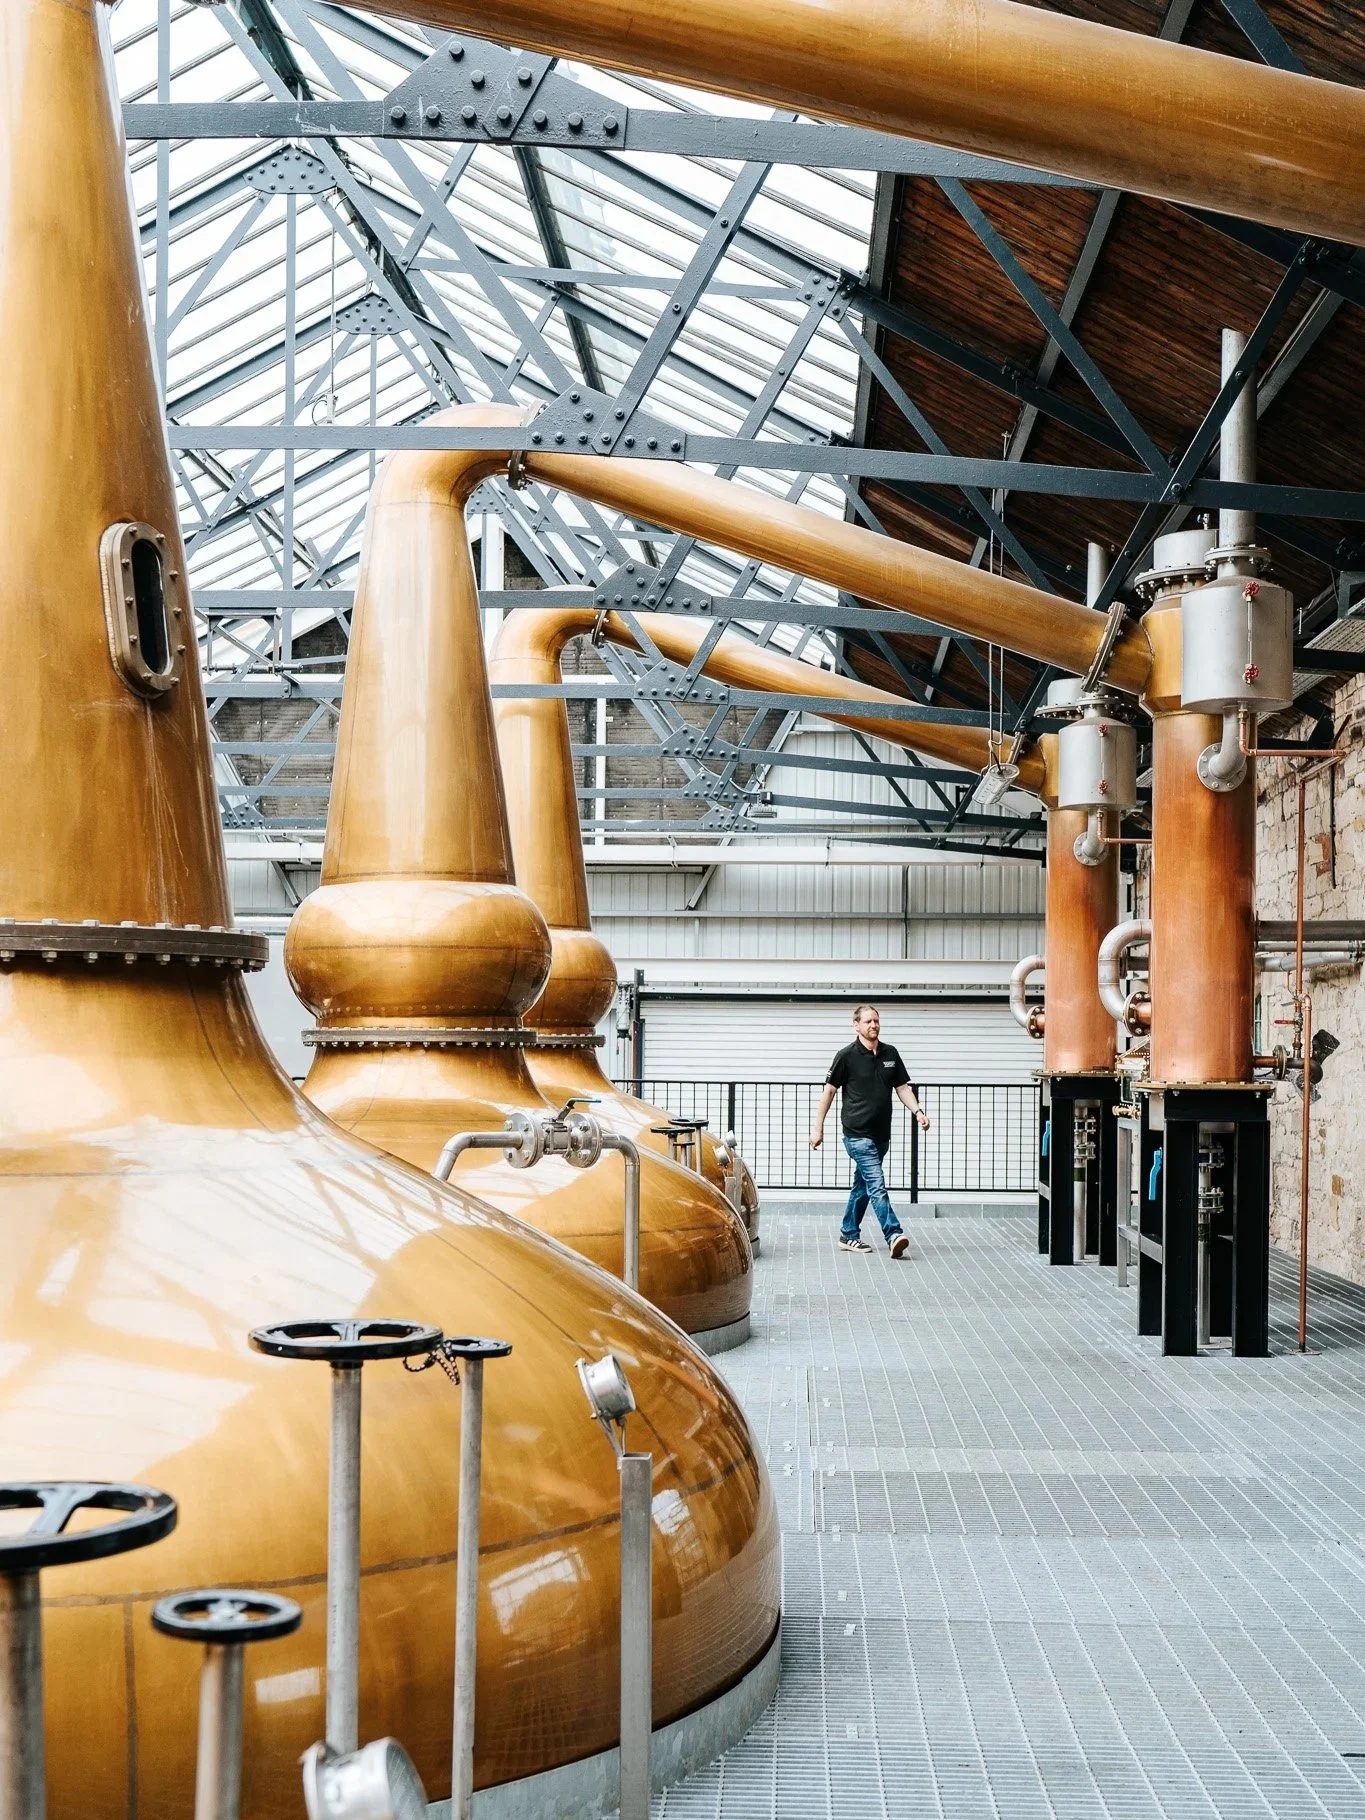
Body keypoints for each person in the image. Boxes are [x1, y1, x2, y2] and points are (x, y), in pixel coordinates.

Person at [810, 1004, 930, 1257]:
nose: (873, 1025)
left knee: (862, 1186)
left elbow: (902, 1088)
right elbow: (829, 1092)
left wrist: (918, 1111)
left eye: (876, 1020)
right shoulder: (846, 1056)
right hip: (856, 1134)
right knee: (877, 1184)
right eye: (868, 1021)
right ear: (856, 1026)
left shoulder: (890, 1053)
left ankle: (848, 1233)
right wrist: (817, 1128)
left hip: (881, 1135)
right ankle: (893, 1233)